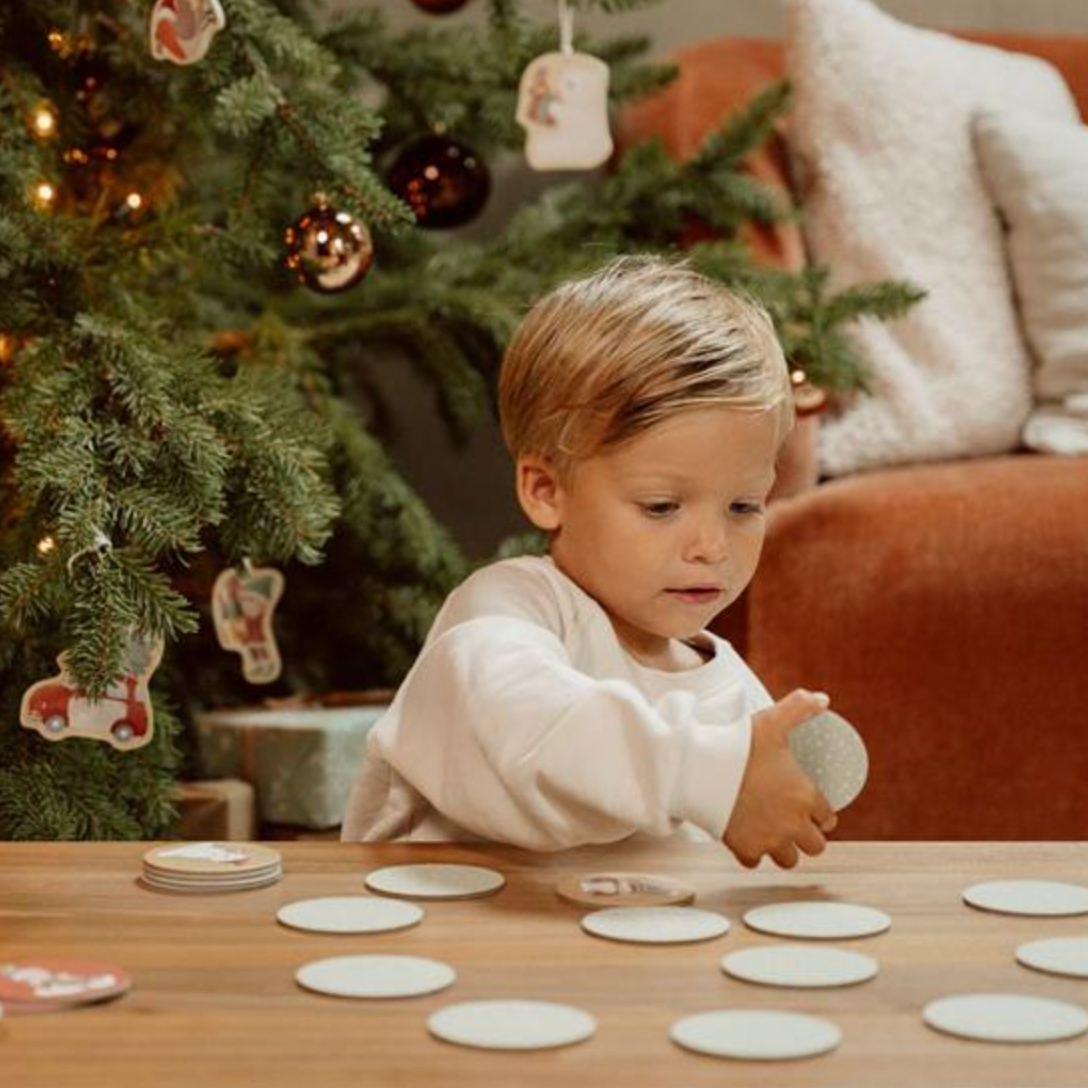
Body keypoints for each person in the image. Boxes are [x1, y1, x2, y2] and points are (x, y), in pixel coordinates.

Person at [342, 255, 837, 868]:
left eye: (743, 505)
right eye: (661, 506)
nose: (712, 545)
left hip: (592, 957)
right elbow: (534, 737)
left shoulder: (728, 693)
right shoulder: (501, 619)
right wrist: (712, 771)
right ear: (547, 490)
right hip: (419, 944)